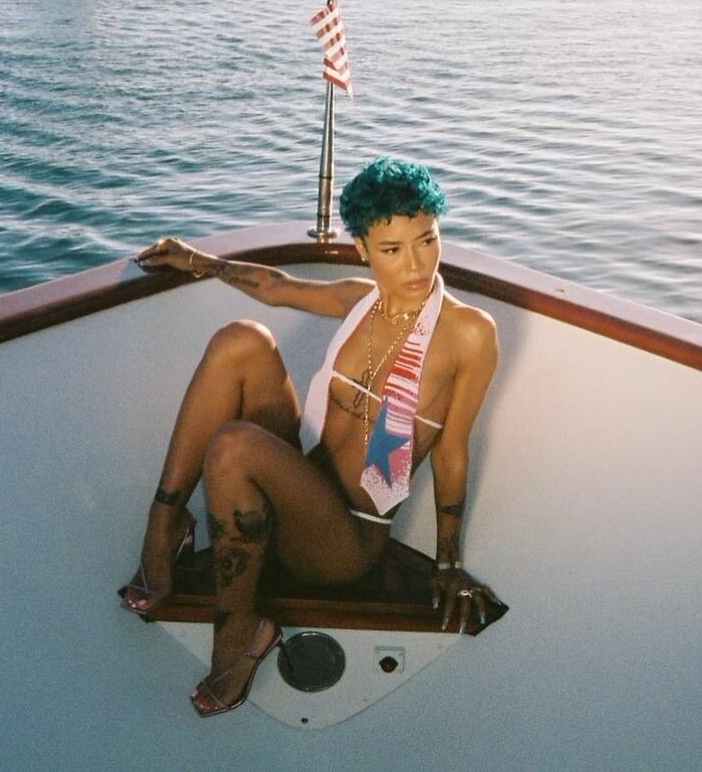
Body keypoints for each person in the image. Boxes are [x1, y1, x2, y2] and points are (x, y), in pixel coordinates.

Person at [122, 157, 501, 717]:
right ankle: (166, 527)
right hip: (304, 491)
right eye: (393, 249)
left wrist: (447, 565)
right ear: (363, 250)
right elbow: (276, 287)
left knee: (234, 445)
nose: (416, 264)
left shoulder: (468, 334)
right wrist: (196, 260)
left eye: (427, 240)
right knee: (241, 340)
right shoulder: (361, 301)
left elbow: (450, 450)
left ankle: (241, 632)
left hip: (345, 544)